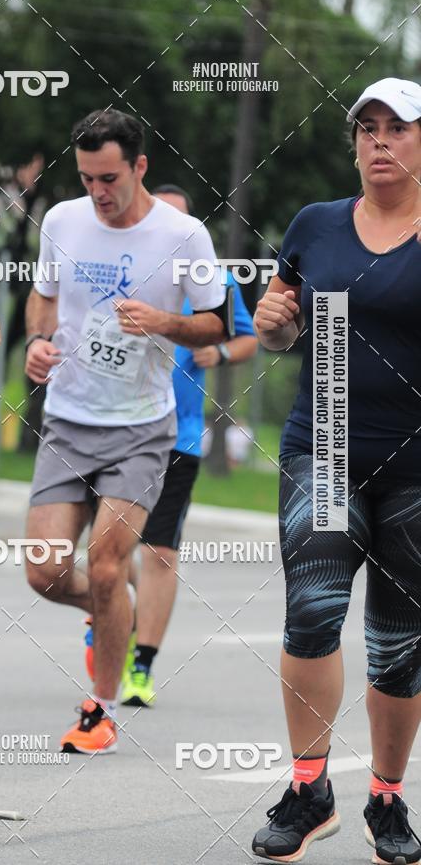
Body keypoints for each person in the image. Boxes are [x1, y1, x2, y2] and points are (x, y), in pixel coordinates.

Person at [251, 77, 421, 864]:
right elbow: (279, 326)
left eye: (398, 127)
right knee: (313, 607)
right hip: (321, 446)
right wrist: (273, 322)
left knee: (398, 642)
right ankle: (309, 785)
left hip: (415, 467)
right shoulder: (316, 226)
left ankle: (386, 795)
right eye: (367, 128)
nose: (380, 140)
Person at [24, 109, 227, 754]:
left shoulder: (185, 235)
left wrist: (165, 324)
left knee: (107, 566)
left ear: (140, 166)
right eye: (87, 179)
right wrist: (35, 339)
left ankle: (100, 714)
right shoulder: (61, 221)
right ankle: (114, 615)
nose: (98, 193)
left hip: (142, 427)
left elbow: (218, 324)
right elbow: (45, 296)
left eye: (109, 177)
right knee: (45, 573)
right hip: (68, 418)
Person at [119, 183, 257, 707]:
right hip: (113, 428)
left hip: (178, 436)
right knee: (105, 550)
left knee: (158, 551)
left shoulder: (212, 276)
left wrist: (217, 356)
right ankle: (110, 608)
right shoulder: (122, 263)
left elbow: (244, 335)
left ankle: (141, 664)